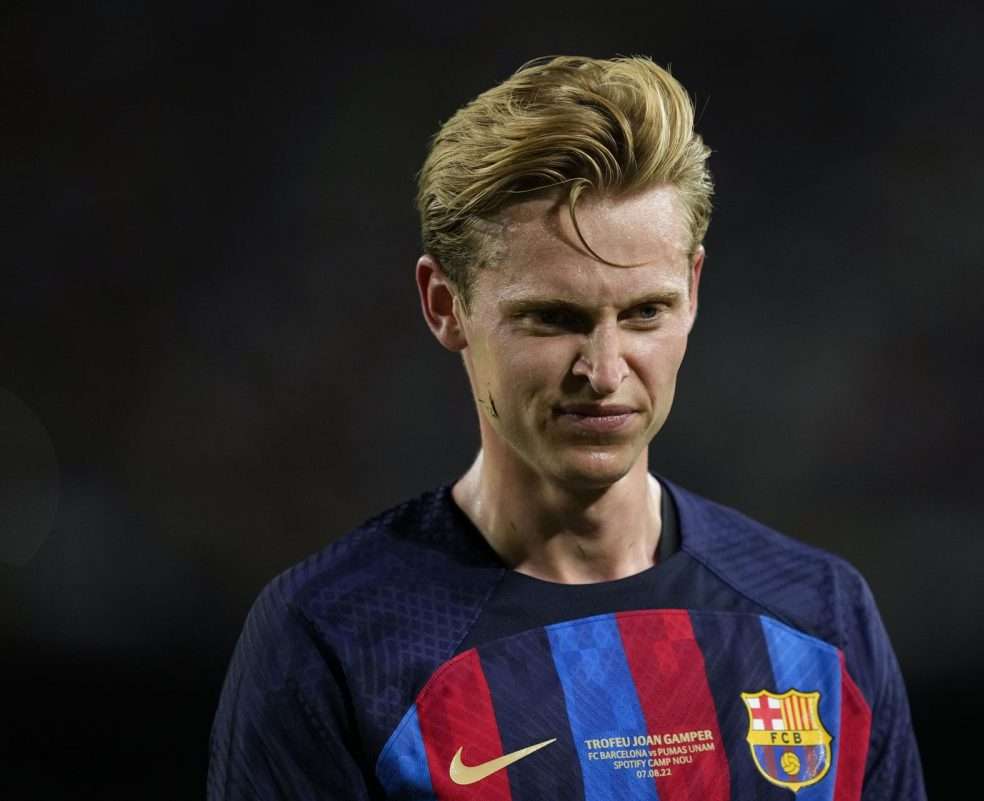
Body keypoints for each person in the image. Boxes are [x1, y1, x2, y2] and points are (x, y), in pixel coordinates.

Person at [208, 55, 926, 801]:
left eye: (646, 310)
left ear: (695, 290)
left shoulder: (820, 616)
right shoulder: (332, 638)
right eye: (553, 318)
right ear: (444, 305)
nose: (606, 370)